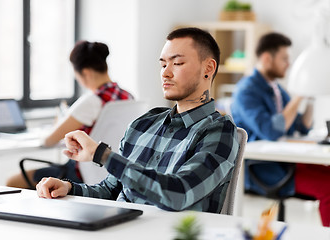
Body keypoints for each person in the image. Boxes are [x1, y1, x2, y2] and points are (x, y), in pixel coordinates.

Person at [36, 27, 239, 213]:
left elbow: (179, 194)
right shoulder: (144, 124)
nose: (166, 73)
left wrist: (102, 155)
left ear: (208, 68)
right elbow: (111, 190)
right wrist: (69, 189)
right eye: (163, 64)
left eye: (177, 63)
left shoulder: (219, 130)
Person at [231, 32, 330, 226]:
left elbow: (300, 126)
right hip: (265, 168)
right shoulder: (246, 91)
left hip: (287, 161)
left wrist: (309, 98)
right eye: (284, 58)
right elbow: (270, 130)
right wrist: (299, 95)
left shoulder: (276, 89)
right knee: (328, 187)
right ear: (267, 58)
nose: (289, 64)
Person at [6, 41, 133, 189]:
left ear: (85, 73)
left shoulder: (91, 101)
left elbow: (49, 140)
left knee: (12, 182)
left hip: (81, 174)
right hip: (115, 171)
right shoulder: (128, 97)